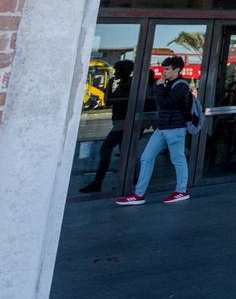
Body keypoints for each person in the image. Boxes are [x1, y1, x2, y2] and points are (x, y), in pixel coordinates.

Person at [115, 56, 193, 206]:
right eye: (164, 69)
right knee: (146, 157)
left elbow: (165, 103)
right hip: (163, 128)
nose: (164, 72)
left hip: (175, 129)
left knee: (178, 159)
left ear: (177, 70)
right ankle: (139, 194)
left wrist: (159, 86)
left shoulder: (181, 86)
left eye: (168, 69)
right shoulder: (170, 84)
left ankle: (181, 191)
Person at [80, 60, 135, 193]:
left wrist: (109, 86)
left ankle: (99, 182)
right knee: (125, 154)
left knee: (106, 149)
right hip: (121, 122)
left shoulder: (127, 86)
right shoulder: (125, 84)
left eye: (117, 71)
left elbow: (109, 101)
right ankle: (129, 181)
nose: (115, 73)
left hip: (122, 123)